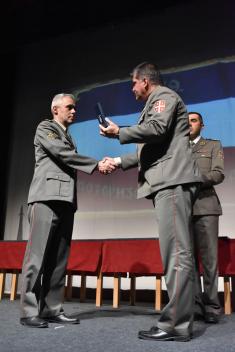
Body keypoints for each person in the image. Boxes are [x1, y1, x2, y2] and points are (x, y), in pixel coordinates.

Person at [99, 62, 202, 342]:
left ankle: (175, 325)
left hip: (171, 181)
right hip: (165, 183)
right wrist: (118, 161)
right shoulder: (155, 104)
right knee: (174, 253)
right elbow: (148, 149)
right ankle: (177, 321)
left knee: (177, 254)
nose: (132, 89)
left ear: (145, 81)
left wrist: (118, 132)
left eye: (133, 83)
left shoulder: (164, 98)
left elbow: (156, 130)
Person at [20, 93, 115, 328]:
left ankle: (51, 309)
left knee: (58, 260)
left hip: (65, 201)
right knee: (37, 258)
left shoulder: (68, 136)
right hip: (46, 198)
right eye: (69, 107)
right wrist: (96, 165)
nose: (74, 111)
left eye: (75, 108)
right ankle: (28, 311)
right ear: (55, 109)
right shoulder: (46, 127)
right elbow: (62, 154)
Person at [188, 112, 225, 324]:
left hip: (207, 206)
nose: (189, 124)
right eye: (186, 121)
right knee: (189, 261)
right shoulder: (178, 147)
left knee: (210, 260)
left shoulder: (213, 145)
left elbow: (218, 173)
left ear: (202, 125)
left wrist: (195, 179)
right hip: (183, 208)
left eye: (193, 121)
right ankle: (195, 306)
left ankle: (212, 306)